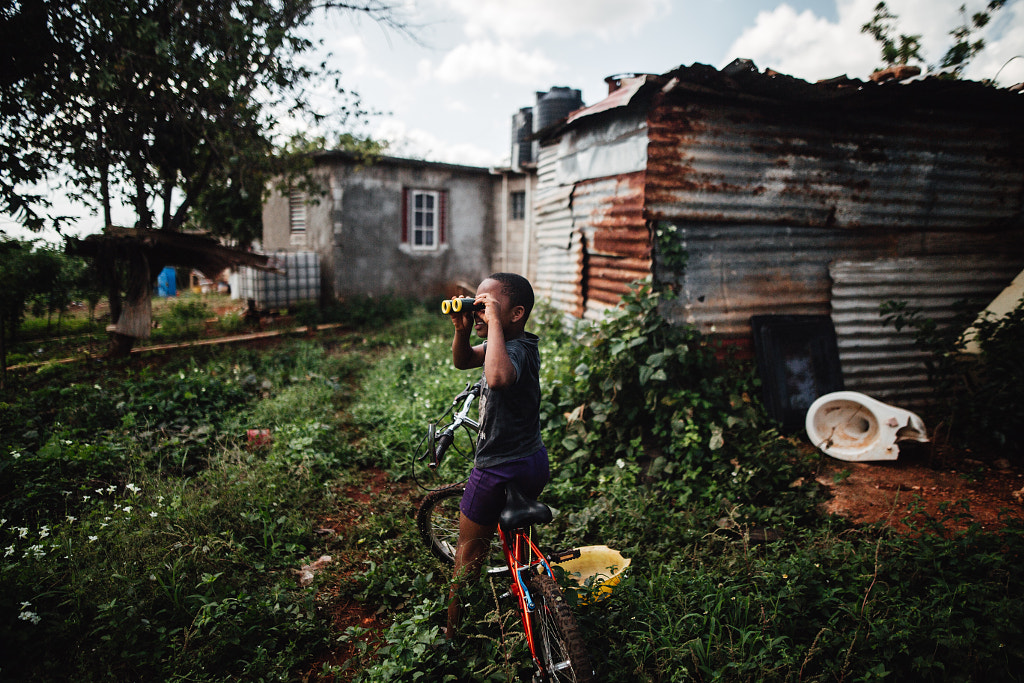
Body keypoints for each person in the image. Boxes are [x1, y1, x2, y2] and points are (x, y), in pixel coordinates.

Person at [445, 272, 548, 638]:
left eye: (487, 305)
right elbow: (463, 362)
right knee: (518, 535)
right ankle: (524, 578)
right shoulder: (506, 344)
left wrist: (490, 329)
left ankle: (451, 635)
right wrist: (462, 328)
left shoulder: (515, 350)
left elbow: (498, 378)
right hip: (533, 461)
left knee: (468, 554)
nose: (478, 311)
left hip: (497, 469)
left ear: (516, 313)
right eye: (477, 303)